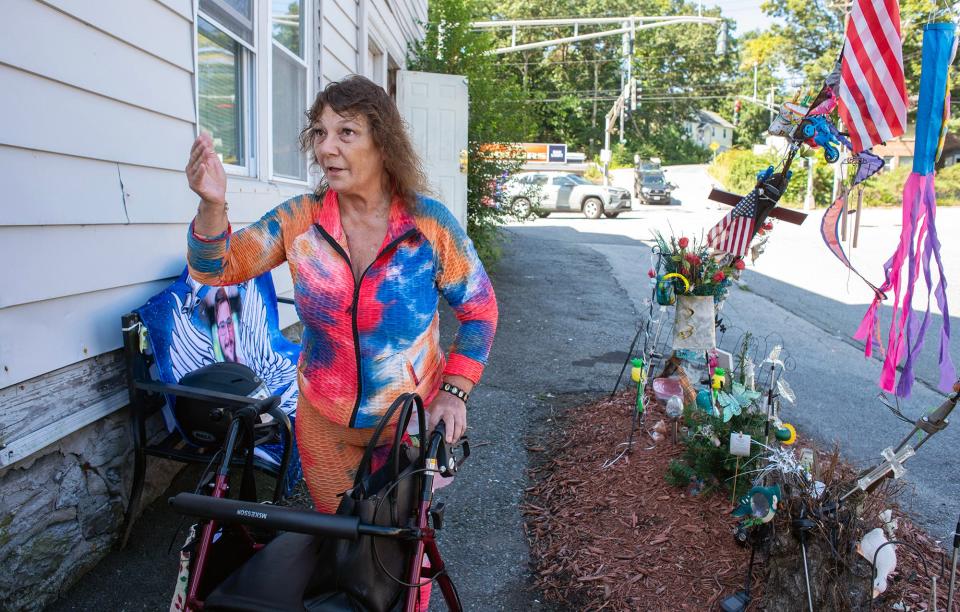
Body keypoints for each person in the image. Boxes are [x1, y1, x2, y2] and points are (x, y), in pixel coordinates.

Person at [185, 75, 498, 514]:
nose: (326, 148)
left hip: (409, 421)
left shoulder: (428, 226)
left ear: (383, 144)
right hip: (324, 423)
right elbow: (217, 267)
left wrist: (455, 391)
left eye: (346, 132)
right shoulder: (301, 219)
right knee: (340, 540)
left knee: (401, 548)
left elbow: (480, 311)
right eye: (320, 132)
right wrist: (212, 206)